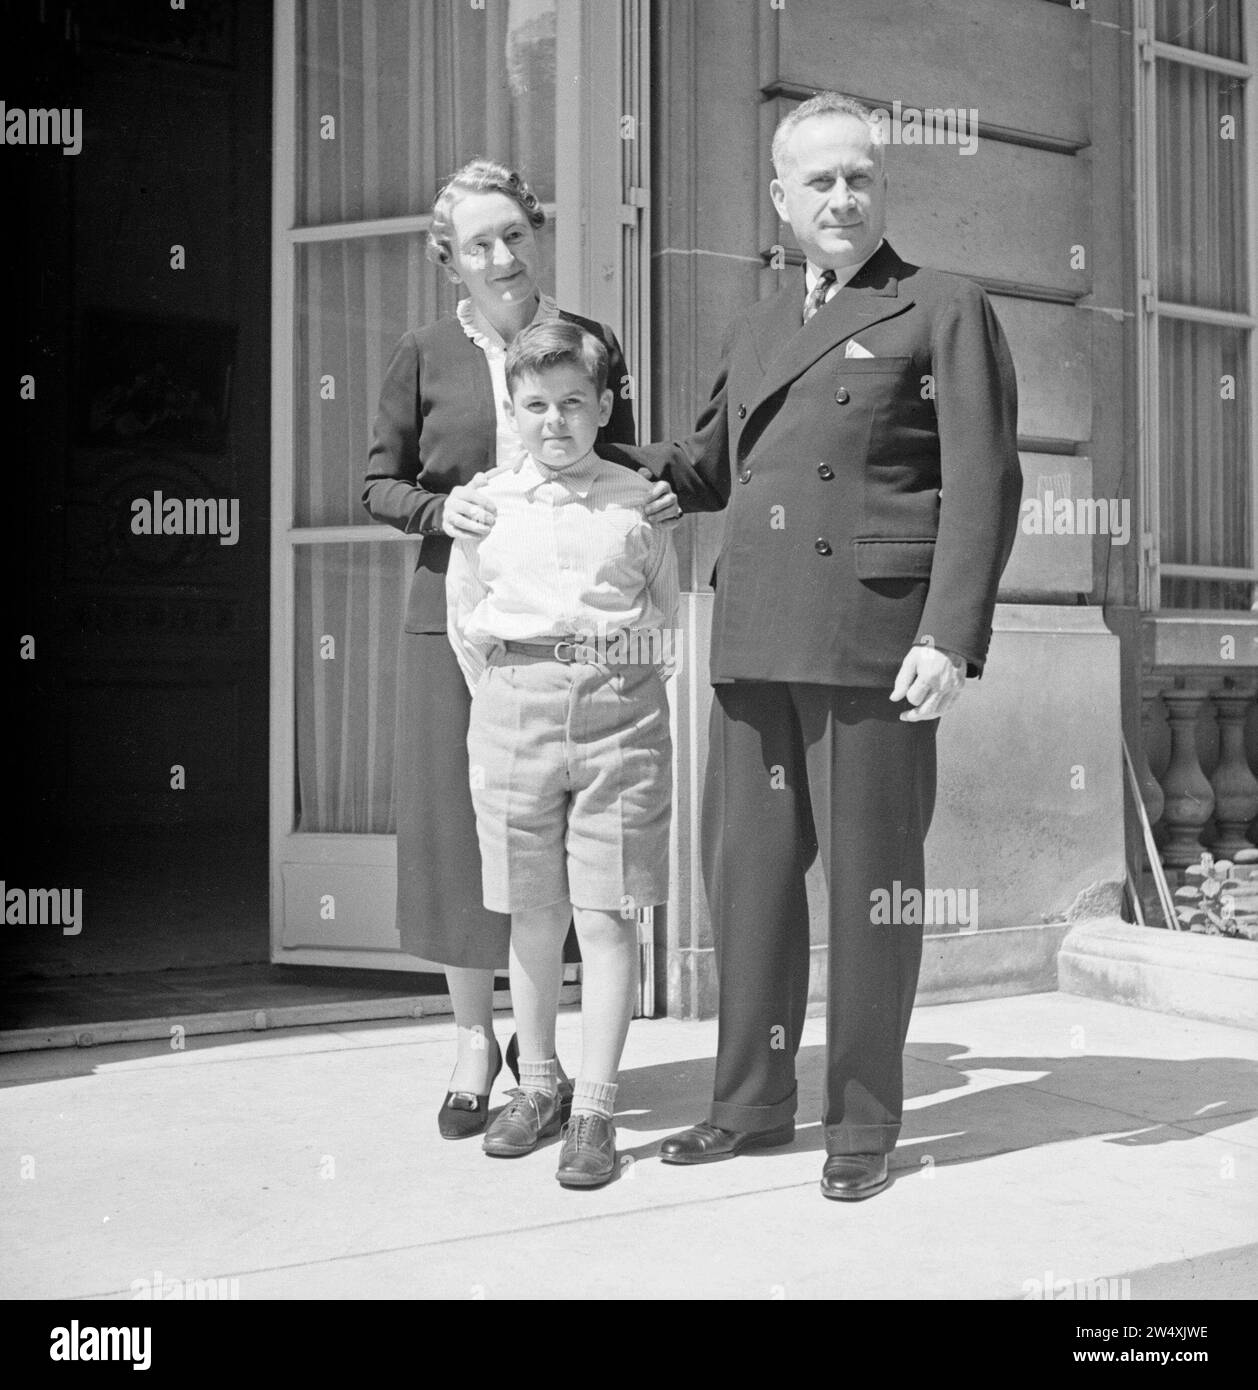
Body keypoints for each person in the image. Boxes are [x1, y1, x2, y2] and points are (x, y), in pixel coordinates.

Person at [599, 93, 1023, 1200]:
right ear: (780, 201)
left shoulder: (942, 306)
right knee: (744, 881)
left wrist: (950, 633)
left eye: (860, 177)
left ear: (881, 187)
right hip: (753, 634)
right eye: (818, 182)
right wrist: (575, 435)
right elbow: (707, 468)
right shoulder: (753, 323)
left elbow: (983, 482)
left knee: (872, 889)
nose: (842, 198)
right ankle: (748, 1107)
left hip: (874, 639)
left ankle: (865, 1125)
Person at [363, 159, 680, 1139]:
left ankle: (559, 1070)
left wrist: (668, 484)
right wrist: (434, 505)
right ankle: (473, 1038)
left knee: (571, 857)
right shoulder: (422, 352)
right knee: (466, 837)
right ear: (448, 258)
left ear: (534, 232)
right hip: (457, 617)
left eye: (514, 233)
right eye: (477, 242)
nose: (500, 256)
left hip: (579, 636)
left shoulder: (586, 344)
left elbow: (623, 460)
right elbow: (375, 482)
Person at [446, 320, 678, 1187]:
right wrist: (513, 696)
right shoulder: (485, 503)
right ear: (514, 410)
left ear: (604, 407)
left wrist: (615, 683)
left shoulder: (639, 501)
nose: (555, 422)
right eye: (536, 405)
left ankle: (596, 1110)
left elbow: (661, 614)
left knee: (608, 912)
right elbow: (470, 621)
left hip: (620, 711)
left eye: (573, 403)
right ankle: (537, 1084)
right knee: (532, 910)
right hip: (513, 708)